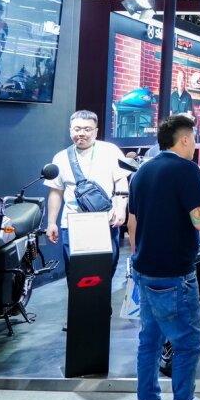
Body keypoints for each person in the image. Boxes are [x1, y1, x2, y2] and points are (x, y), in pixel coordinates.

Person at [128, 115, 200, 400]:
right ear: (185, 139)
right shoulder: (186, 170)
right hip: (175, 271)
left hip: (144, 268)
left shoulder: (142, 171)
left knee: (149, 341)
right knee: (187, 344)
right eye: (194, 139)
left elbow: (133, 221)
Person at [46, 110, 129, 279]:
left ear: (96, 131)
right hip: (72, 222)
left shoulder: (110, 151)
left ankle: (103, 296)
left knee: (106, 268)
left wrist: (121, 209)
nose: (81, 133)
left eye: (87, 129)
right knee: (75, 271)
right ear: (70, 130)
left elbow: (121, 181)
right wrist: (51, 222)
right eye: (77, 129)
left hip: (105, 219)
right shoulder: (61, 158)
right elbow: (56, 192)